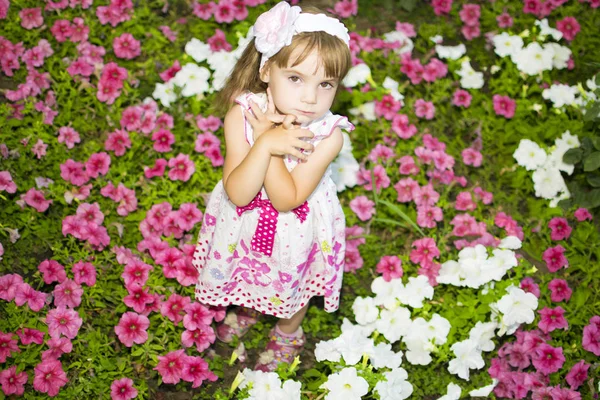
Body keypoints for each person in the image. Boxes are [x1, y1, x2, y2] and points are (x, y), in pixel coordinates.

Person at [192, 1, 353, 372]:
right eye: (296, 78)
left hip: (297, 228)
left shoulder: (327, 137)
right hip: (244, 221)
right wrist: (264, 141)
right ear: (267, 70)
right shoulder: (244, 114)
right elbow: (239, 193)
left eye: (325, 84)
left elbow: (286, 199)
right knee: (247, 264)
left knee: (291, 276)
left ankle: (287, 330)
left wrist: (271, 146)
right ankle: (249, 304)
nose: (310, 98)